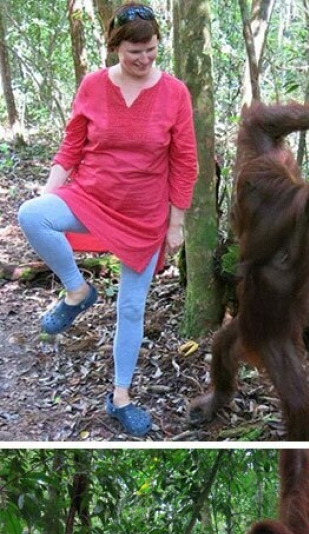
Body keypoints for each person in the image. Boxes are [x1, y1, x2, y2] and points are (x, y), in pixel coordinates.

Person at [17, 3, 198, 437]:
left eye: (152, 50)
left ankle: (120, 397)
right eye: (135, 51)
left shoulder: (174, 93)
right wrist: (48, 191)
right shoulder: (93, 86)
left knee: (132, 307)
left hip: (145, 213)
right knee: (31, 215)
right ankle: (77, 292)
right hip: (91, 196)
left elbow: (185, 161)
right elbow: (72, 147)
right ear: (115, 47)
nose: (144, 59)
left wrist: (176, 223)